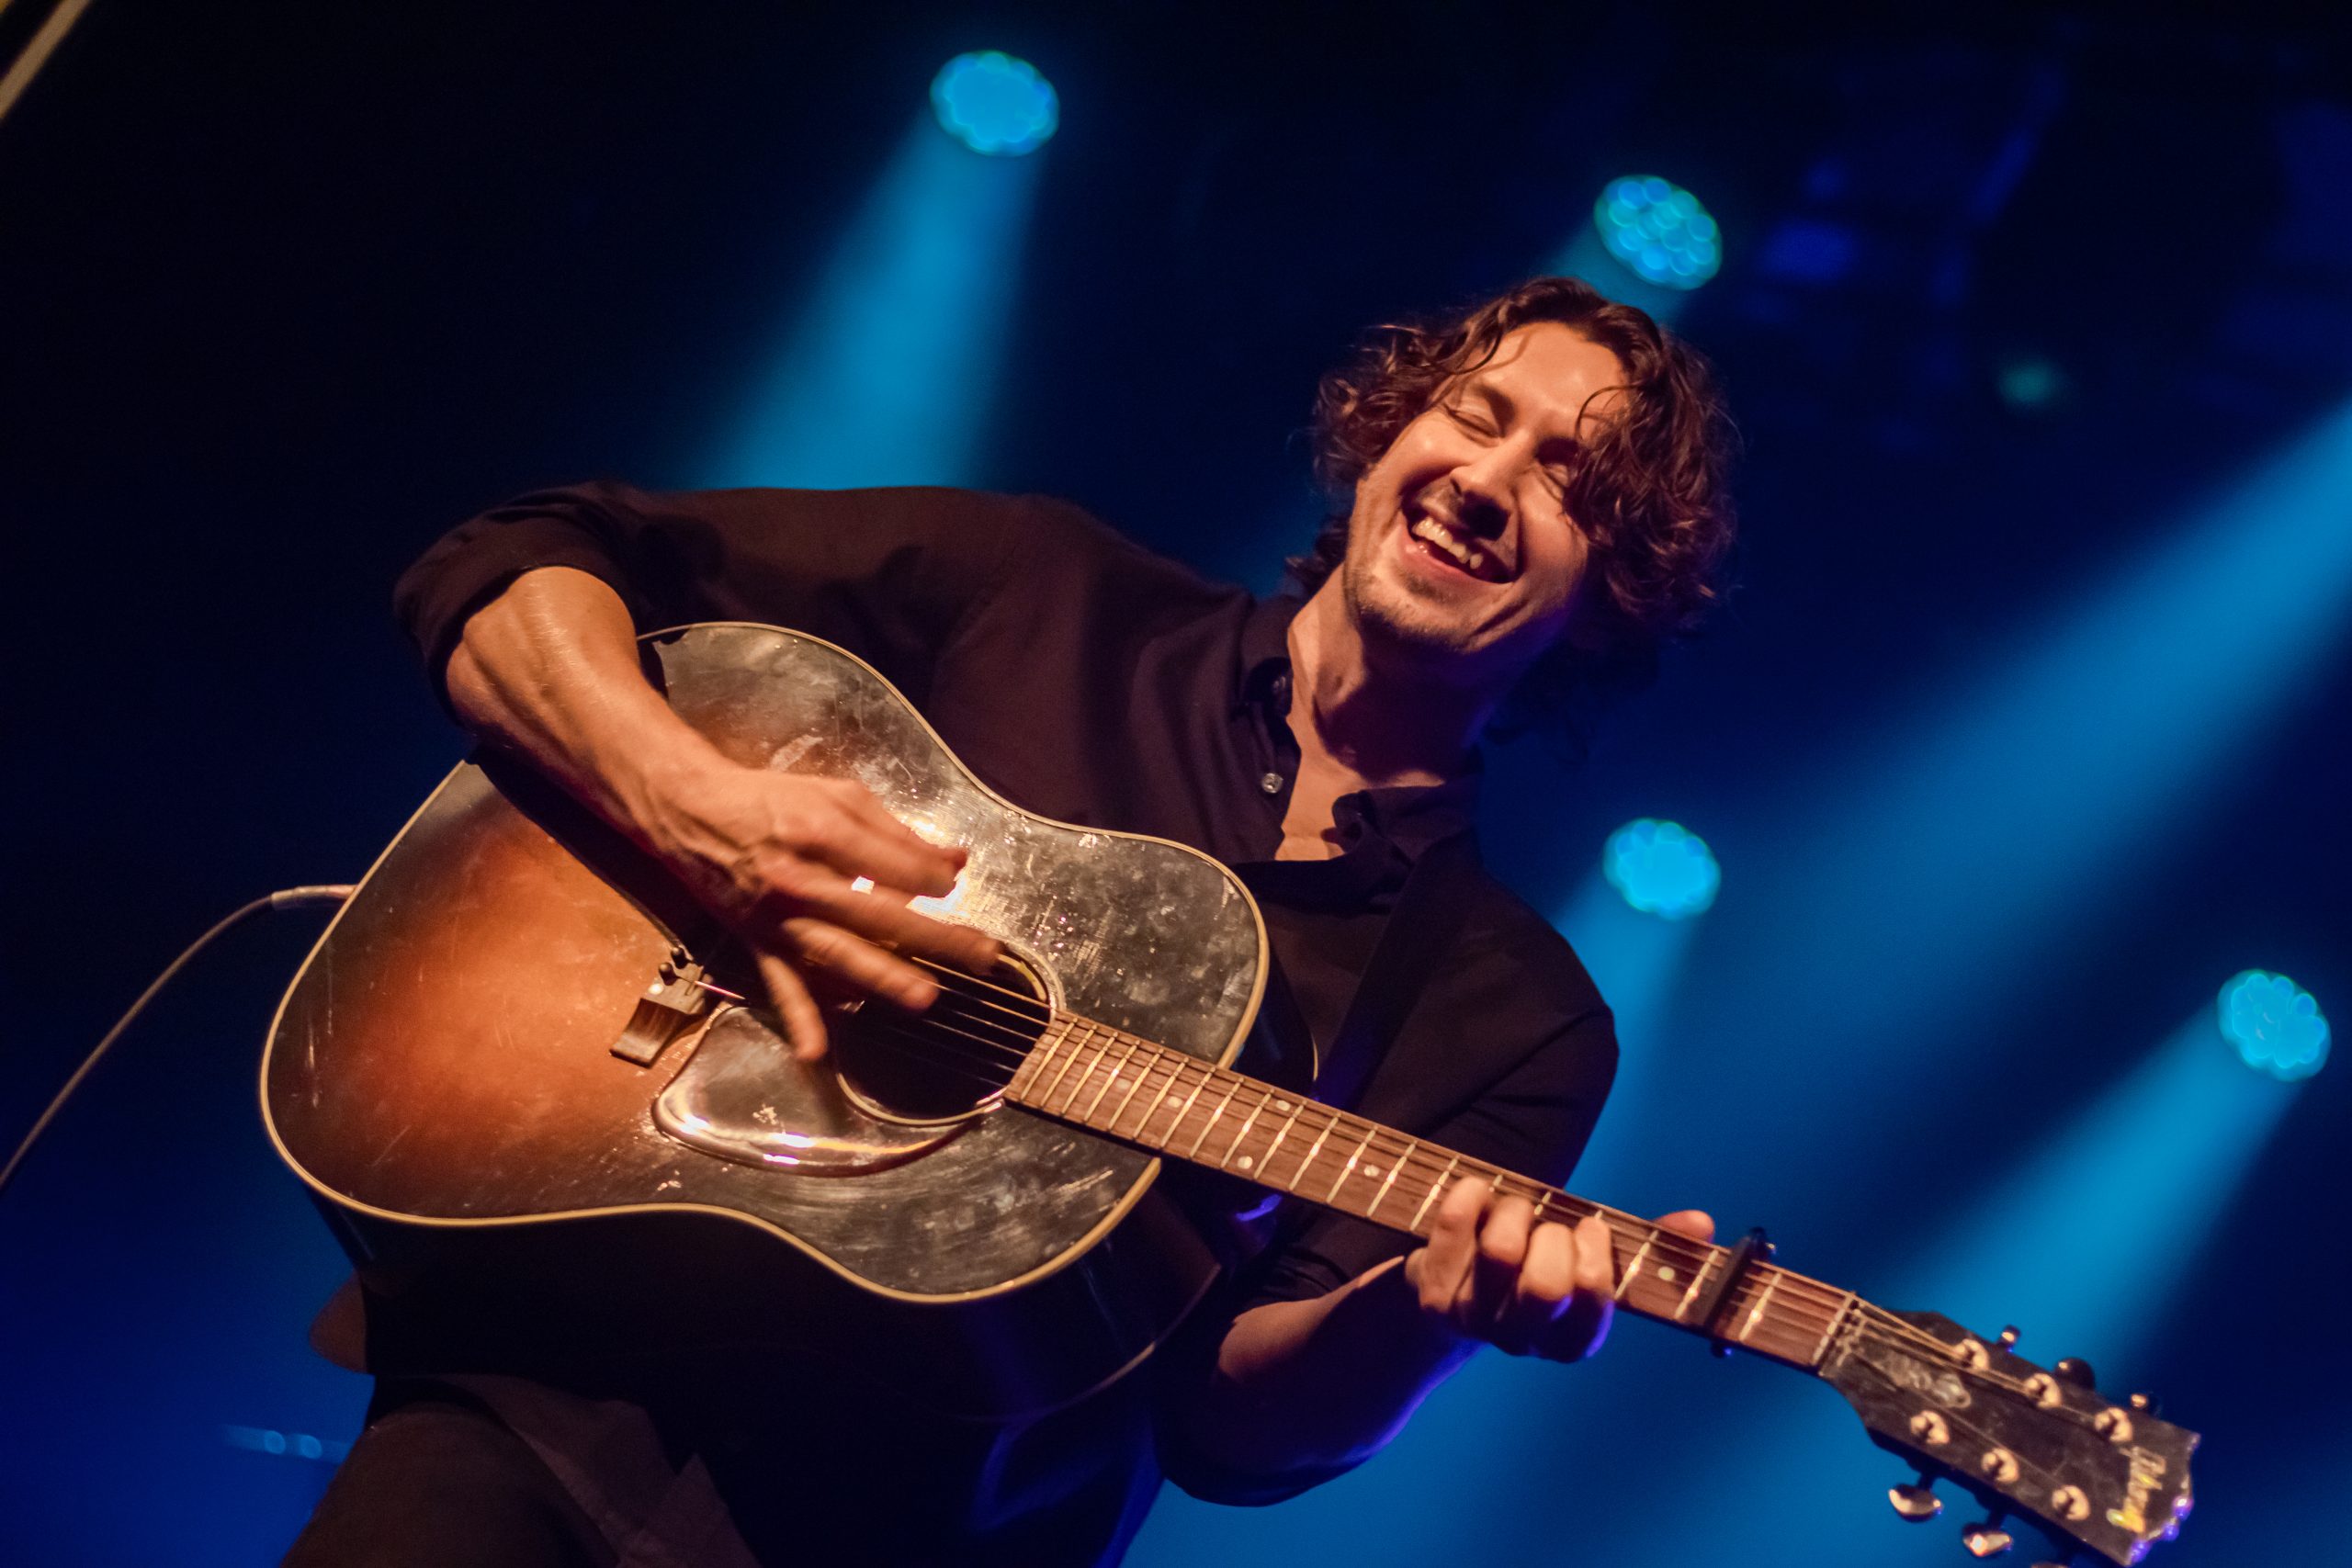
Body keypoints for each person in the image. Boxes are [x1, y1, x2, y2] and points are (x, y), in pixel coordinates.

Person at [283, 275, 1739, 1566]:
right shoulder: (1037, 592)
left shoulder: (1516, 1017)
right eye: (1475, 416)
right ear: (1387, 434)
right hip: (543, 1402)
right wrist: (694, 807)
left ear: (1613, 595)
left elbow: (1228, 1429)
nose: (1486, 480)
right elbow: (517, 556)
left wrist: (1427, 1316)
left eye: (1566, 482)